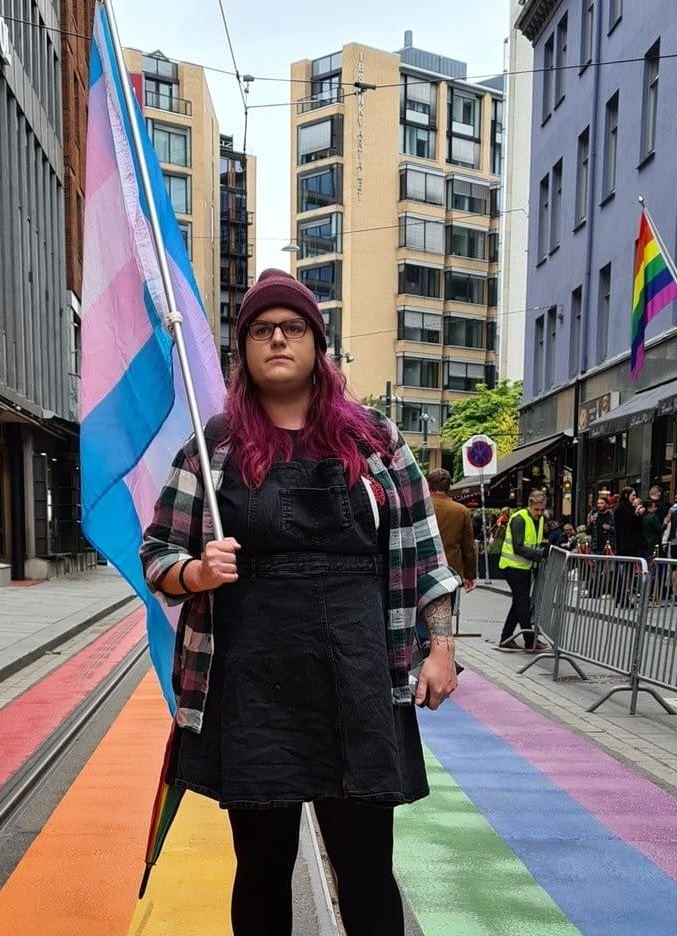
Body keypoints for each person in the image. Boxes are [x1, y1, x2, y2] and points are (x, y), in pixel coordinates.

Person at [140, 269, 460, 936]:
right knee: (260, 869)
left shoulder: (377, 441)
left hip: (359, 684)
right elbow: (157, 561)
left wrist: (442, 648)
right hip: (252, 690)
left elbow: (429, 561)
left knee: (367, 866)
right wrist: (196, 571)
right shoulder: (212, 448)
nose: (277, 338)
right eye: (261, 329)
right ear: (244, 350)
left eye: (292, 327)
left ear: (318, 344)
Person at [497, 491, 549, 652]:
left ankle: (506, 638)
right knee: (523, 603)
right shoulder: (519, 519)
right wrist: (539, 554)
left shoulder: (539, 520)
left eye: (542, 510)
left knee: (519, 603)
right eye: (537, 510)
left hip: (524, 567)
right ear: (530, 505)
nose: (540, 513)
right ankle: (529, 640)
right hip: (512, 566)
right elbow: (518, 547)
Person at [428, 469, 476, 592]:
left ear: (428, 485)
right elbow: (468, 548)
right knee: (450, 609)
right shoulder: (462, 511)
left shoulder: (420, 507)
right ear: (449, 486)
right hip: (451, 572)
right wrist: (470, 576)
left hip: (425, 570)